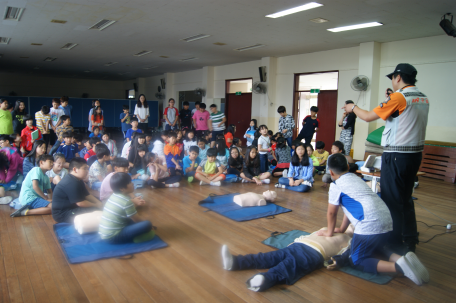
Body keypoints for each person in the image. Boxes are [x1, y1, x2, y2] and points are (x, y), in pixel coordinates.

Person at [343, 63, 429, 254]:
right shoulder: (422, 97)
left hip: (397, 155)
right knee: (405, 198)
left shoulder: (399, 97)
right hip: (414, 155)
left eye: (393, 78)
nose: (392, 81)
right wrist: (389, 100)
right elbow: (400, 118)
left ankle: (394, 243)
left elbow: (367, 116)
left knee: (391, 200)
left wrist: (352, 107)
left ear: (398, 77)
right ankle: (410, 240)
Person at [317, 153, 429, 286]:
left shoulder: (336, 186)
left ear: (330, 172)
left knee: (357, 260)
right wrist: (342, 228)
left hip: (370, 224)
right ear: (347, 166)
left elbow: (331, 213)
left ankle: (400, 268)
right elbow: (349, 209)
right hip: (387, 220)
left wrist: (329, 232)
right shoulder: (356, 178)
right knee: (375, 248)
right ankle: (402, 259)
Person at [221, 226, 354, 292]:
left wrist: (339, 261)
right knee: (268, 257)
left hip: (315, 254)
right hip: (298, 246)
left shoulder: (350, 241)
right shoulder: (329, 228)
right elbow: (310, 235)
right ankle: (235, 262)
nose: (352, 226)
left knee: (289, 266)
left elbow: (346, 255)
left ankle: (266, 279)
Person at [99, 172, 153, 244]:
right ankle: (135, 237)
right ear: (122, 188)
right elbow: (137, 220)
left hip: (104, 234)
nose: (133, 184)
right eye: (130, 182)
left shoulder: (113, 195)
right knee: (147, 224)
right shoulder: (126, 201)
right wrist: (146, 226)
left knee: (130, 220)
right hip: (113, 237)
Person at [52, 158, 103, 223]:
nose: (87, 171)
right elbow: (80, 203)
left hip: (72, 208)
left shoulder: (78, 180)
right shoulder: (71, 182)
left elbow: (87, 195)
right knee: (94, 210)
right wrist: (96, 205)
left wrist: (99, 203)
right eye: (84, 169)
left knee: (97, 208)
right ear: (75, 169)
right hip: (62, 214)